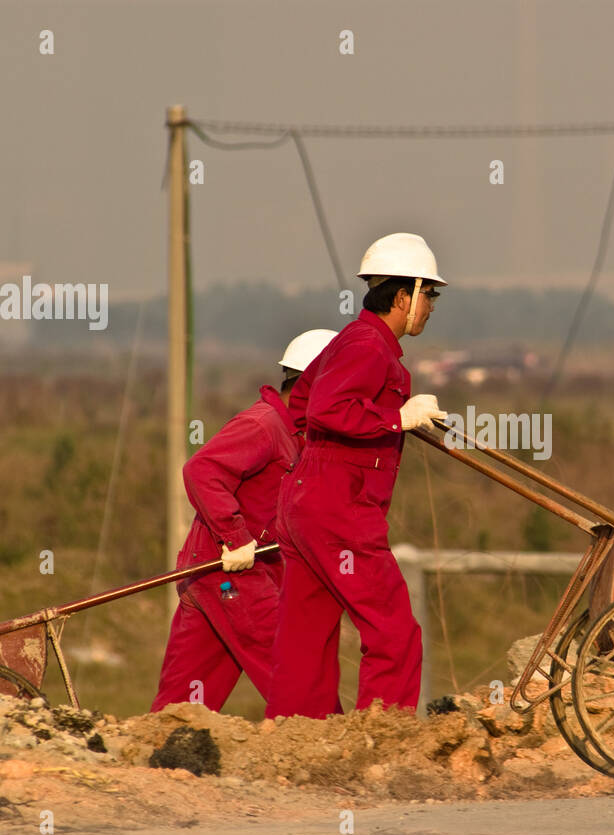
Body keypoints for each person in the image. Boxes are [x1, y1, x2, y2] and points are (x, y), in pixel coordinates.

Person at [266, 233, 447, 719]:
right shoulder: (370, 347)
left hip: (306, 503)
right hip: (340, 511)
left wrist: (319, 461)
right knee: (394, 632)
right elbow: (327, 408)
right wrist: (395, 420)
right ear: (405, 296)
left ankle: (295, 738)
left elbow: (301, 403)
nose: (432, 305)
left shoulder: (351, 339)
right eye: (430, 294)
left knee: (306, 635)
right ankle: (382, 741)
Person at [150, 328, 337, 713]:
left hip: (216, 578)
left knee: (183, 706)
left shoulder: (299, 435)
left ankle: (158, 761)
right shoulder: (264, 426)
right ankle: (333, 753)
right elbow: (201, 471)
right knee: (299, 676)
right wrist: (235, 538)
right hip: (229, 576)